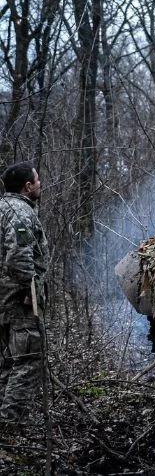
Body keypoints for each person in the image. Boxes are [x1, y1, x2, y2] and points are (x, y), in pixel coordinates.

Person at [0, 162, 46, 424]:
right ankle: (10, 425)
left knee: (7, 362)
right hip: (17, 302)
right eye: (37, 181)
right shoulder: (19, 212)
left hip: (4, 302)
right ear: (27, 187)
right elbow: (18, 256)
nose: (40, 184)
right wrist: (30, 288)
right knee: (28, 360)